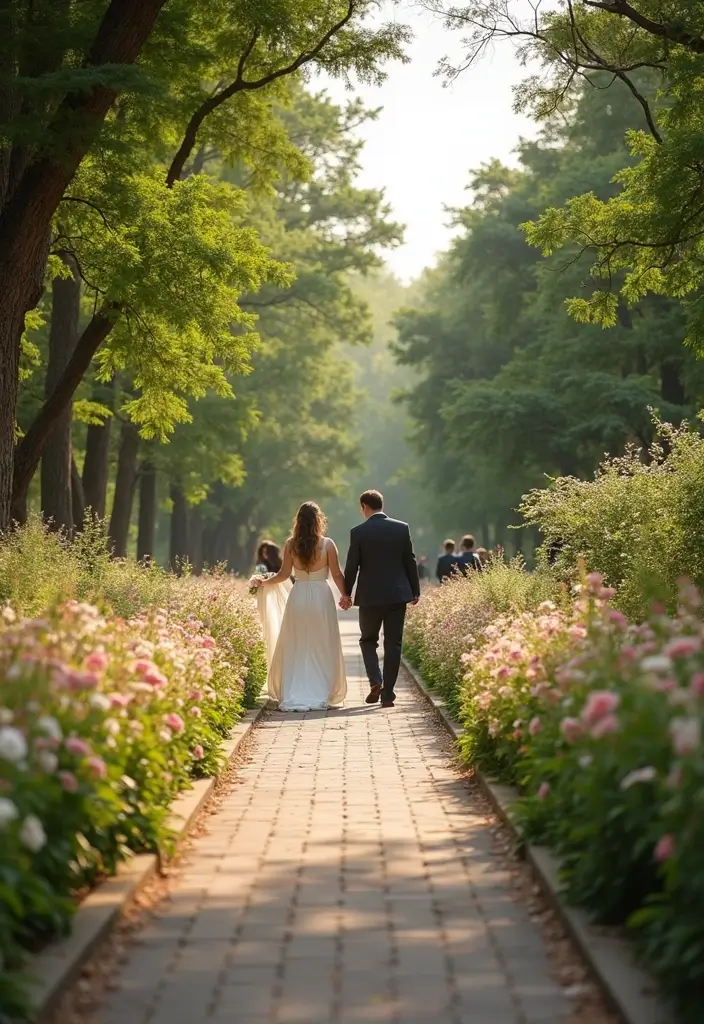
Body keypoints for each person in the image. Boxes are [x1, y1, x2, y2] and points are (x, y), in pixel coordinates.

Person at [252, 503, 348, 711]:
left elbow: (283, 575)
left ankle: (294, 689)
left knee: (297, 643)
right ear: (318, 520)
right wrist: (346, 595)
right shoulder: (328, 544)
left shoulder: (290, 545)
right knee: (322, 643)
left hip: (299, 596)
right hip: (322, 597)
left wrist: (263, 582)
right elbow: (337, 574)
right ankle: (321, 689)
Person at [343, 489, 420, 709]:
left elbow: (352, 566)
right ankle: (388, 694)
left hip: (369, 597)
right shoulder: (401, 528)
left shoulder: (358, 532)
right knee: (393, 643)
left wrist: (347, 593)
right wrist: (415, 591)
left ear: (364, 507)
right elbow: (410, 561)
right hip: (397, 595)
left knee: (368, 640)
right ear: (381, 505)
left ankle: (376, 681)